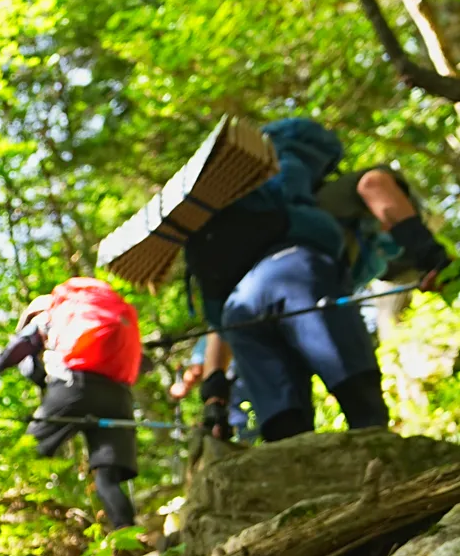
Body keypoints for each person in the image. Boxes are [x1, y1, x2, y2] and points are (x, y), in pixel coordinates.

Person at [183, 118, 451, 444]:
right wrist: (429, 254)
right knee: (365, 412)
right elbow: (374, 183)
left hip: (238, 311)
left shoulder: (263, 220)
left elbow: (223, 323)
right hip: (298, 278)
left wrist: (215, 395)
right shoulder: (330, 199)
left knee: (287, 434)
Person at [0, 273, 144, 529]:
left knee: (27, 454)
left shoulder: (49, 314)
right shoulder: (94, 313)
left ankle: (14, 526)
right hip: (118, 394)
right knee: (106, 478)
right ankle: (128, 534)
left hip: (75, 385)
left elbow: (18, 350)